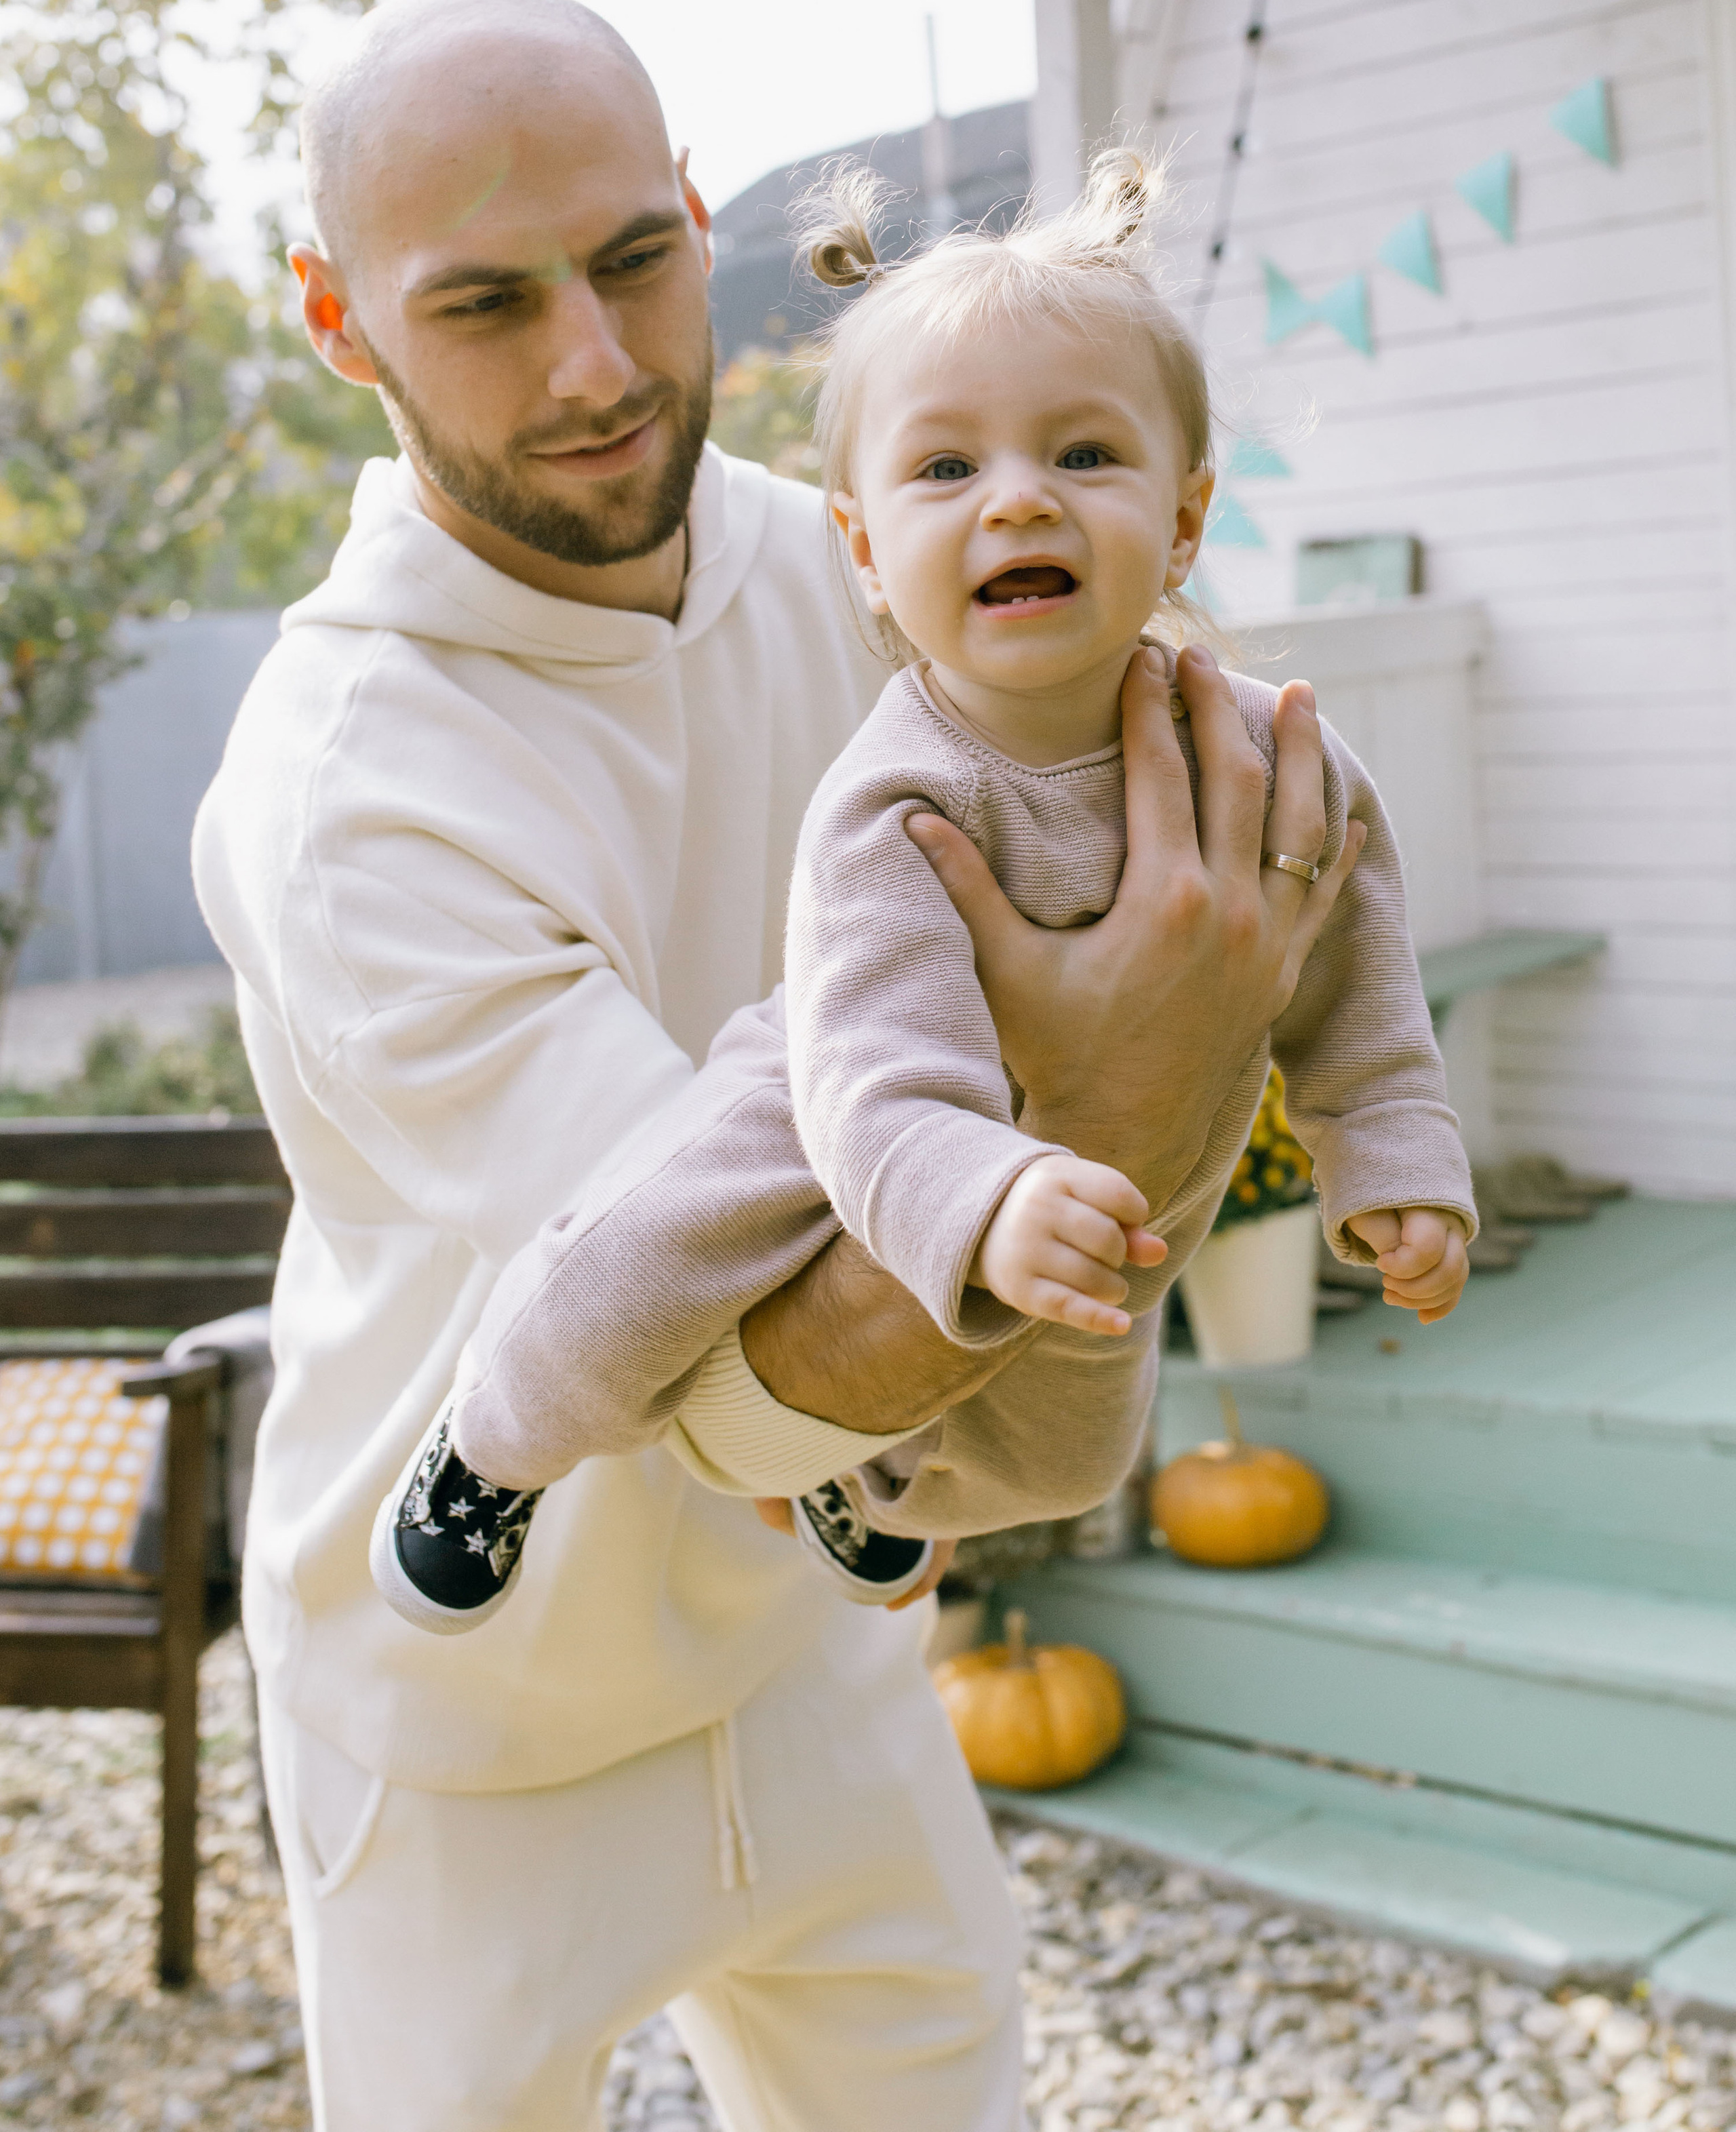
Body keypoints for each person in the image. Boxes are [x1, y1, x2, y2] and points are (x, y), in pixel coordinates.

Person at [193, 0, 1358, 2132]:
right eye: (486, 305)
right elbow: (730, 1381)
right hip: (476, 1716)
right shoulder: (346, 798)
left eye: (638, 260)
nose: (600, 366)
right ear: (339, 321)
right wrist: (1134, 1090)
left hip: (825, 1648)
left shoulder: (875, 561)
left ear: (695, 214)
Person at [380, 153, 1474, 1634]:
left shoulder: (1267, 757)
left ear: (1185, 516)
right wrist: (993, 1181)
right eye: (946, 469)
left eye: (1083, 455)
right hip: (834, 1090)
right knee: (628, 1270)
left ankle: (864, 1475)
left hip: (1126, 1155)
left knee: (1069, 1456)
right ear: (866, 552)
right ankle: (487, 1450)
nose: (1016, 501)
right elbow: (880, 1087)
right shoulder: (894, 800)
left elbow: (1357, 964)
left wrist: (1392, 1154)